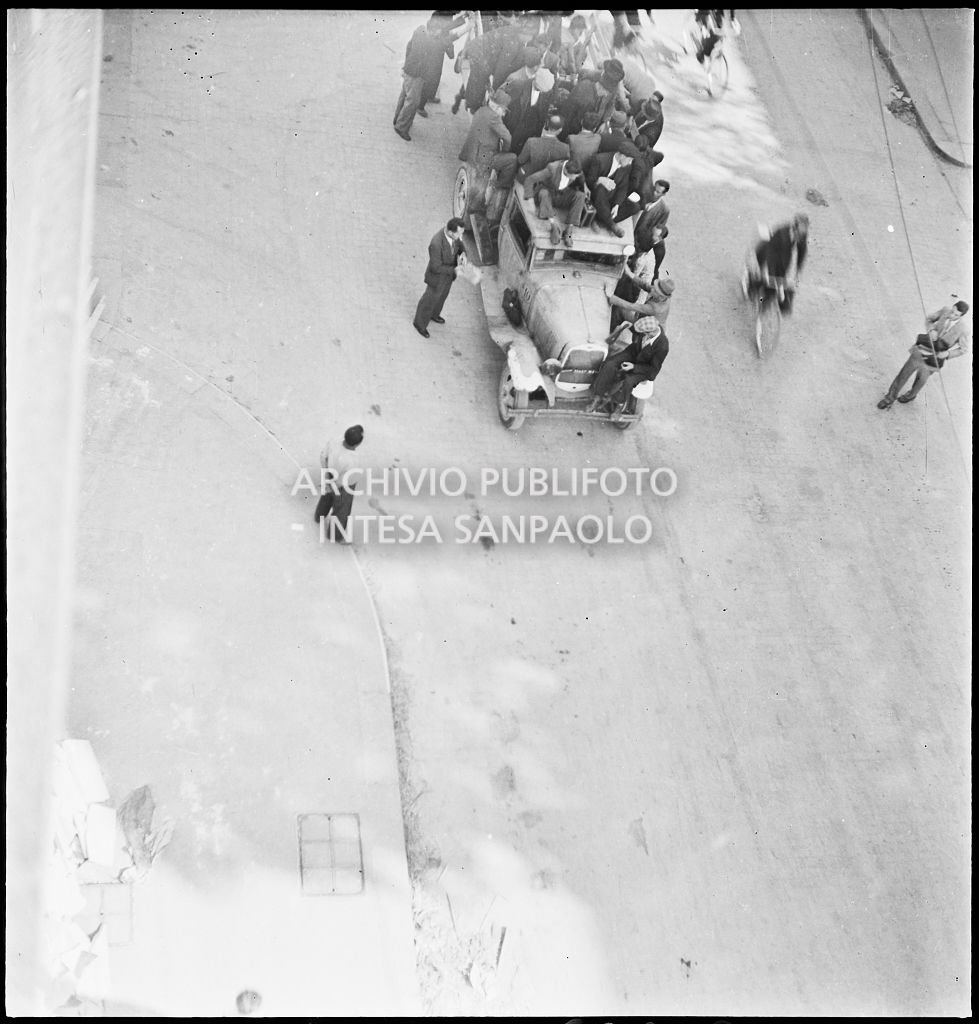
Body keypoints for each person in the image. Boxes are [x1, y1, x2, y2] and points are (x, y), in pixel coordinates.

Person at [877, 300, 970, 408]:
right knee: (903, 374)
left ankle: (911, 395)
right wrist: (931, 330)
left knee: (921, 379)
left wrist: (948, 353)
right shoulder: (945, 310)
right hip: (922, 349)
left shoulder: (963, 329)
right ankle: (889, 398)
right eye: (952, 311)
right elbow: (929, 319)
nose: (952, 315)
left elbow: (964, 349)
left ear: (961, 316)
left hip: (936, 358)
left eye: (956, 315)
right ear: (953, 307)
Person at [586, 315, 669, 412]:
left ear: (651, 332)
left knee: (629, 381)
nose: (642, 334)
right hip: (633, 353)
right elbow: (638, 329)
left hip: (644, 368)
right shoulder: (651, 326)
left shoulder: (662, 346)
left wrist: (634, 367)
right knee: (609, 364)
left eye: (643, 333)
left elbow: (653, 370)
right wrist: (629, 326)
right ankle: (598, 396)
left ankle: (619, 403)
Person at [743, 212, 808, 313]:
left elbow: (801, 252)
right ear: (794, 228)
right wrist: (766, 270)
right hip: (766, 254)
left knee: (780, 285)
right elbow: (770, 253)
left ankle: (768, 304)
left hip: (783, 259)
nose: (801, 236)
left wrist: (798, 273)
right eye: (799, 232)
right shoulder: (782, 233)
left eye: (804, 231)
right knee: (764, 282)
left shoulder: (802, 236)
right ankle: (752, 288)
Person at [413, 217, 466, 338]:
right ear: (451, 232)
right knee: (429, 301)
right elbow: (435, 267)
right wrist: (454, 270)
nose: (460, 236)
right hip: (436, 278)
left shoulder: (454, 236)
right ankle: (419, 324)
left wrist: (463, 254)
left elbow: (460, 244)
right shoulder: (436, 243)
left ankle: (434, 314)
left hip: (447, 277)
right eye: (459, 233)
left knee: (442, 297)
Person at [458, 88, 519, 191]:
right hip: (483, 158)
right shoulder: (494, 117)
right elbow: (507, 137)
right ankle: (498, 186)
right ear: (497, 107)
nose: (503, 114)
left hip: (472, 152)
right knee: (512, 159)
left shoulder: (481, 110)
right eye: (503, 110)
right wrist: (504, 151)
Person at [393, 17, 443, 142]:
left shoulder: (420, 30)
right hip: (417, 75)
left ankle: (398, 118)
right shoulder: (429, 41)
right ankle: (401, 127)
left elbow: (409, 46)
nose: (439, 33)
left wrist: (407, 63)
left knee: (404, 95)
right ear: (432, 30)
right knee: (413, 102)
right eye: (438, 31)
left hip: (409, 70)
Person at [315, 424, 365, 543]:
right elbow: (346, 479)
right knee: (342, 509)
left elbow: (323, 456)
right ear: (357, 444)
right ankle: (335, 535)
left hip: (330, 475)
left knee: (326, 497)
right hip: (343, 485)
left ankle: (319, 516)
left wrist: (327, 476)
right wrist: (335, 484)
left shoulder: (333, 442)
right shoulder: (353, 460)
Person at [523, 156, 588, 248]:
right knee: (543, 193)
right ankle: (553, 226)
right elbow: (530, 179)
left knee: (580, 196)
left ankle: (568, 232)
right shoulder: (552, 169)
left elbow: (580, 175)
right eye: (572, 177)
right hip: (548, 193)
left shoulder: (575, 169)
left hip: (561, 193)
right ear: (565, 171)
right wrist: (529, 199)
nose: (574, 179)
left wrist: (585, 186)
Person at [418, 12, 469, 116]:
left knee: (436, 75)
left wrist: (463, 16)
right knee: (430, 77)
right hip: (436, 47)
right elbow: (448, 28)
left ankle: (430, 96)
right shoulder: (438, 16)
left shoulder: (443, 15)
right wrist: (464, 18)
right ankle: (420, 105)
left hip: (439, 45)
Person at [583, 143, 640, 235]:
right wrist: (599, 179)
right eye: (629, 159)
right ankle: (611, 224)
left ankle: (600, 220)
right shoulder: (599, 159)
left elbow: (623, 187)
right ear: (622, 155)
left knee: (635, 207)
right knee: (601, 189)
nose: (630, 162)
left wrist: (617, 205)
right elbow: (588, 181)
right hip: (595, 196)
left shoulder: (627, 166)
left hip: (610, 197)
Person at [503, 59, 555, 155]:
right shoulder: (518, 85)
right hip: (516, 126)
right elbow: (506, 106)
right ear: (535, 79)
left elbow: (543, 112)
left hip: (532, 128)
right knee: (512, 150)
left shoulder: (547, 91)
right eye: (539, 89)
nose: (542, 92)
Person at [607, 268, 674, 330]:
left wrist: (610, 296)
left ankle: (608, 332)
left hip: (647, 331)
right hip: (647, 321)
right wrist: (630, 274)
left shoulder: (655, 309)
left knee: (621, 310)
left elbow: (630, 306)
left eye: (655, 290)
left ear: (661, 296)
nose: (652, 288)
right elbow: (646, 285)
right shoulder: (664, 295)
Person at [517, 114, 569, 179]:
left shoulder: (531, 141)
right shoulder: (565, 148)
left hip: (527, 175)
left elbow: (521, 160)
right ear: (560, 130)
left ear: (547, 125)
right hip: (546, 180)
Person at [634, 179, 670, 252]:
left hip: (638, 246)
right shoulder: (640, 196)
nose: (653, 192)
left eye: (657, 192)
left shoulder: (664, 211)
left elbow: (656, 233)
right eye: (653, 189)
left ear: (663, 194)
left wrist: (640, 248)